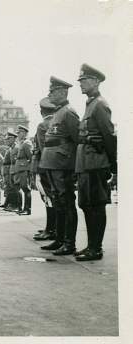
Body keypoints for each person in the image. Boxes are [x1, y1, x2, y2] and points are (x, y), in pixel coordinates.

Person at [74, 64, 116, 261]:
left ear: (96, 81)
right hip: (85, 163)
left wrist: (113, 165)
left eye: (85, 80)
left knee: (96, 206)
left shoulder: (100, 104)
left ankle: (96, 248)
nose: (81, 84)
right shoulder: (90, 104)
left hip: (96, 163)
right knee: (87, 205)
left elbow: (108, 136)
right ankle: (91, 245)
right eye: (81, 80)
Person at [39, 76, 80, 255]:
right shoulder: (58, 112)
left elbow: (77, 140)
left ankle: (69, 243)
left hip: (62, 164)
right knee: (58, 201)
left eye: (52, 91)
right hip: (53, 163)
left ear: (62, 92)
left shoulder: (68, 112)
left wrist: (75, 166)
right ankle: (60, 239)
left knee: (66, 202)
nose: (49, 94)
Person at [32, 97, 58, 241]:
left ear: (42, 111)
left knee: (48, 197)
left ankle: (50, 229)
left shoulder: (43, 125)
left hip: (44, 166)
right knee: (52, 197)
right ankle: (52, 227)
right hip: (55, 165)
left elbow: (42, 148)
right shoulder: (56, 122)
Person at [13, 125, 33, 215]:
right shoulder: (21, 143)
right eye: (18, 133)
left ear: (25, 133)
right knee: (19, 188)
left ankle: (27, 209)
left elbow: (31, 157)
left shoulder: (27, 143)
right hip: (19, 168)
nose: (18, 134)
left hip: (24, 168)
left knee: (26, 189)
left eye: (20, 133)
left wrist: (28, 168)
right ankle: (21, 208)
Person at [1, 132, 17, 209]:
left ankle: (14, 205)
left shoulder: (15, 148)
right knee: (8, 187)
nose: (6, 141)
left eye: (8, 139)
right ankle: (8, 203)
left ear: (13, 139)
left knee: (13, 188)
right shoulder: (10, 148)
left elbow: (13, 162)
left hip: (11, 170)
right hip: (8, 170)